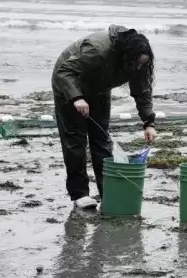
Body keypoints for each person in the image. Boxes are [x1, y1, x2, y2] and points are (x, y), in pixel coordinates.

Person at [51, 25, 157, 210]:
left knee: (101, 139)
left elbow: (142, 91)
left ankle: (106, 190)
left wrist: (149, 122)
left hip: (99, 88)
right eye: (137, 63)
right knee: (75, 140)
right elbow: (65, 71)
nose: (139, 67)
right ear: (127, 56)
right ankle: (80, 194)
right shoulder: (98, 50)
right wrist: (76, 97)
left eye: (143, 64)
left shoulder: (137, 62)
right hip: (69, 83)